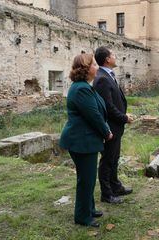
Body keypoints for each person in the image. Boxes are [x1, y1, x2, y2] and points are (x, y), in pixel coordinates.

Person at [59, 53, 113, 227]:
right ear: (86, 68)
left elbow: (96, 111)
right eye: (94, 65)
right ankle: (82, 216)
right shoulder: (81, 88)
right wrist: (106, 132)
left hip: (85, 140)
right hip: (82, 141)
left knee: (87, 178)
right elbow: (94, 116)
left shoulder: (84, 86)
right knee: (86, 180)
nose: (97, 67)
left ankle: (89, 209)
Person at [93, 47, 133, 204]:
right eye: (113, 55)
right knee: (108, 159)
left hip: (116, 126)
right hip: (111, 126)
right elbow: (108, 107)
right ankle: (107, 193)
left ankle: (115, 186)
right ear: (107, 59)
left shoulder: (108, 75)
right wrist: (124, 118)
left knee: (114, 158)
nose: (116, 57)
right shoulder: (102, 78)